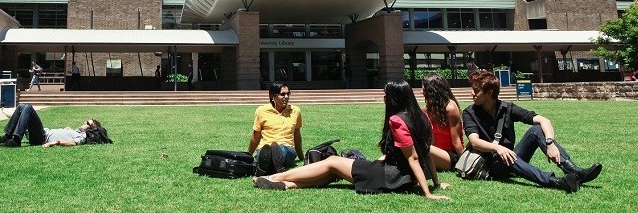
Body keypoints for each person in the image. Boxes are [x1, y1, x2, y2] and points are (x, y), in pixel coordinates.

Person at [253, 79, 450, 201]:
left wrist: (428, 193)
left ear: (394, 98)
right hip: (398, 177)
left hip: (388, 177)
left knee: (331, 161)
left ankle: (275, 177)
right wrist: (436, 182)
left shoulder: (397, 120)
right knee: (332, 173)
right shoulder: (422, 117)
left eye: (385, 95)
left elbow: (414, 157)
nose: (383, 98)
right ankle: (288, 184)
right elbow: (426, 153)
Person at [463, 70, 602, 193]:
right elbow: (475, 142)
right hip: (491, 164)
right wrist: (498, 148)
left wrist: (550, 143)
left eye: (476, 91)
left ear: (489, 93)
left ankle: (573, 170)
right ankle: (556, 181)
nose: (472, 93)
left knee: (536, 130)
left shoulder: (507, 108)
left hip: (511, 156)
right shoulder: (469, 113)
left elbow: (543, 120)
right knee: (503, 155)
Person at [248, 82, 304, 176]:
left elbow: (297, 135)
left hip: (288, 148)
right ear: (272, 96)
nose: (286, 97)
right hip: (266, 146)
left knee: (281, 149)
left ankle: (266, 164)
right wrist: (248, 155)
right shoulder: (261, 111)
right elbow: (256, 136)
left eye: (288, 94)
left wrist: (301, 156)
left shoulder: (295, 111)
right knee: (264, 151)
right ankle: (273, 163)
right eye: (282, 94)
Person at [0, 103, 103, 147]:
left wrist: (55, 142)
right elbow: (69, 135)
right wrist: (66, 130)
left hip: (42, 137)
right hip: (39, 134)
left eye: (87, 123)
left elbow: (73, 143)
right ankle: (8, 136)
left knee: (28, 108)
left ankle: (16, 140)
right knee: (21, 107)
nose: (84, 122)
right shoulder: (77, 132)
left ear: (91, 128)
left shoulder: (83, 136)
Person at [422, 73, 464, 171]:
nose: (421, 91)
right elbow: (432, 138)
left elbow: (456, 140)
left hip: (451, 155)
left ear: (432, 91)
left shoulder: (450, 108)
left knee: (422, 147)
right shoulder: (427, 109)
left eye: (424, 88)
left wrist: (464, 163)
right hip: (436, 153)